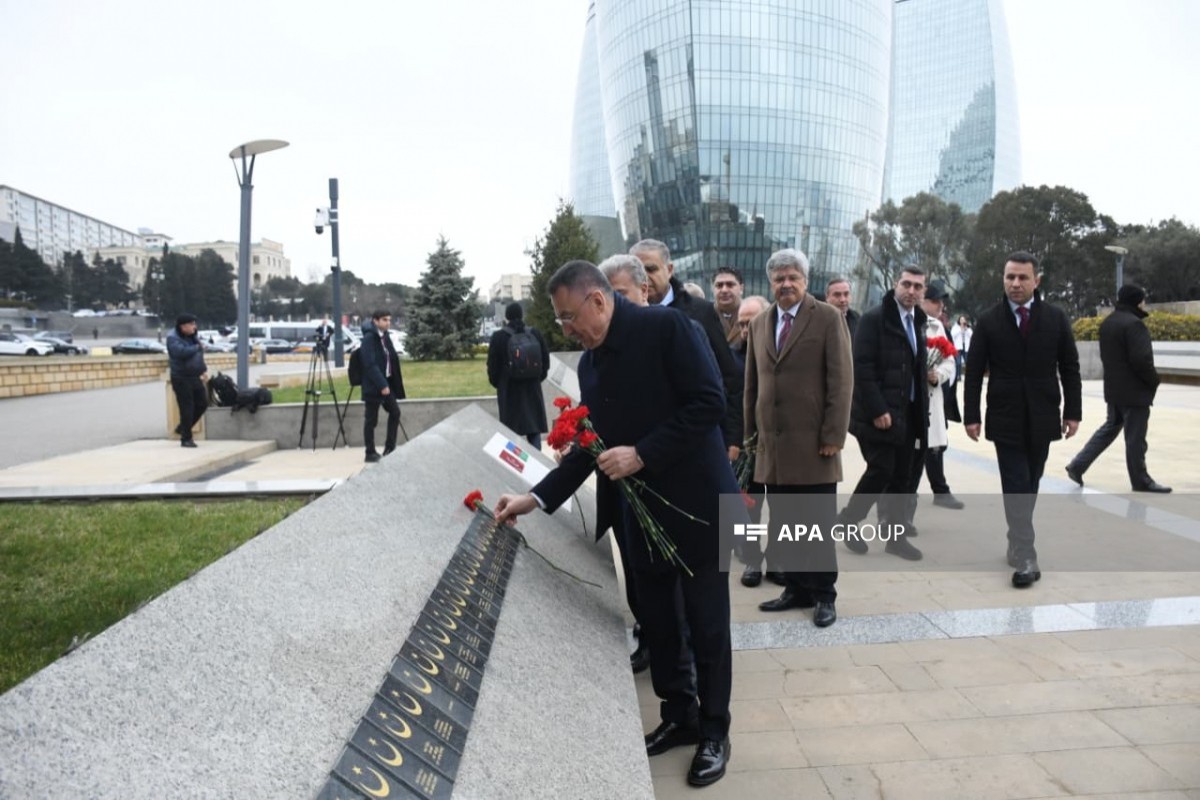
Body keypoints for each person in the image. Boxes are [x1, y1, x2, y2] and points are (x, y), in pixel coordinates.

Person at [494, 260, 740, 787]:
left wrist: (642, 454)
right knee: (658, 621)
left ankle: (715, 731)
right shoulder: (592, 364)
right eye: (561, 321)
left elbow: (709, 403)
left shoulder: (668, 329)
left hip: (698, 506)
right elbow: (593, 443)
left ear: (599, 301)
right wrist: (533, 498)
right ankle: (680, 714)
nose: (565, 330)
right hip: (643, 513)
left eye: (567, 318)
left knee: (708, 624)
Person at [744, 250, 854, 626]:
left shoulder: (826, 318)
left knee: (817, 525)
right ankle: (795, 588)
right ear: (770, 283)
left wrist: (833, 435)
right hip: (772, 448)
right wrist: (749, 438)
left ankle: (824, 595)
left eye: (792, 277)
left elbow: (841, 381)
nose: (785, 284)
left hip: (814, 446)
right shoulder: (759, 323)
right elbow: (751, 386)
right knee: (785, 522)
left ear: (805, 281)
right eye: (778, 278)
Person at [964, 252, 1082, 588]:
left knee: (1030, 482)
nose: (1015, 284)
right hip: (1004, 416)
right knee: (1016, 482)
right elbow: (973, 372)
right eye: (1009, 277)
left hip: (1044, 415)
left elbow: (1070, 367)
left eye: (1022, 278)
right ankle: (1027, 555)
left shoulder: (1056, 319)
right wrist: (972, 415)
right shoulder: (988, 320)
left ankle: (1016, 539)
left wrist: (1073, 411)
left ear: (1036, 281)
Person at [840, 267, 929, 561]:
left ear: (923, 291)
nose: (911, 291)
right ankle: (849, 521)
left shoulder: (919, 320)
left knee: (902, 477)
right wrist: (878, 408)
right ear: (895, 285)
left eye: (918, 286)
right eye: (906, 284)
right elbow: (862, 367)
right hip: (876, 414)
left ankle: (895, 538)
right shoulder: (874, 318)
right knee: (882, 469)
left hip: (910, 413)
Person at [631, 239, 744, 461]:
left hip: (696, 439)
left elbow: (728, 375)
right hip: (644, 445)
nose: (644, 277)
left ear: (669, 269)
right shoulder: (626, 316)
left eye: (651, 269)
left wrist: (732, 437)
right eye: (637, 271)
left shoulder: (699, 312)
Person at [1066, 285, 1170, 493]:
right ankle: (1140, 480)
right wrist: (1154, 381)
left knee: (1108, 429)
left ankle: (1078, 465)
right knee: (1135, 439)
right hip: (1134, 392)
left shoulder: (1108, 323)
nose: (1144, 304)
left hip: (1114, 390)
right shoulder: (1134, 325)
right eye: (1142, 300)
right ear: (1136, 301)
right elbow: (1141, 360)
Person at [918, 284, 965, 510]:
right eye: (935, 301)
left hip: (936, 397)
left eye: (941, 301)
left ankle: (940, 490)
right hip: (915, 401)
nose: (940, 305)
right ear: (923, 300)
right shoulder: (912, 324)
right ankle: (901, 506)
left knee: (935, 445)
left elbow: (950, 361)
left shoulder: (938, 327)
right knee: (919, 450)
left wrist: (939, 375)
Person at [487, 302, 550, 450]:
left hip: (508, 391)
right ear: (521, 314)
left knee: (510, 435)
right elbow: (545, 362)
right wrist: (535, 378)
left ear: (507, 316)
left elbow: (492, 367)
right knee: (534, 432)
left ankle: (516, 468)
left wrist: (500, 384)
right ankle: (537, 467)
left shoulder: (498, 337)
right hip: (532, 390)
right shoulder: (534, 333)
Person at [360, 310, 406, 463]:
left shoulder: (385, 337)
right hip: (374, 386)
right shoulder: (369, 338)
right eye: (384, 320)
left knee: (395, 412)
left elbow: (390, 359)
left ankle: (390, 448)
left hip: (386, 384)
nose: (388, 323)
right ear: (375, 321)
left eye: (389, 320)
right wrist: (381, 384)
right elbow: (370, 364)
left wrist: (392, 382)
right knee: (371, 420)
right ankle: (370, 452)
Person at [166, 313, 207, 448]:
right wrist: (197, 347)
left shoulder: (193, 337)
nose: (194, 327)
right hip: (181, 377)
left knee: (202, 403)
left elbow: (199, 356)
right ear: (183, 326)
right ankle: (186, 438)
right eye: (192, 324)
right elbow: (179, 352)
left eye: (195, 324)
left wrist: (203, 369)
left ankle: (183, 427)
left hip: (194, 375)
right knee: (186, 407)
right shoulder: (172, 338)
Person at [712, 267, 745, 345]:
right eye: (719, 285)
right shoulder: (704, 315)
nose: (724, 290)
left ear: (741, 288)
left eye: (730, 285)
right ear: (713, 289)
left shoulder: (755, 314)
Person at [825, 276, 860, 340]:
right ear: (827, 297)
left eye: (846, 294)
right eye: (837, 295)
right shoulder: (816, 319)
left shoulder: (857, 320)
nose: (842, 300)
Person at [950, 315, 972, 379]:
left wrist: (966, 329)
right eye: (961, 319)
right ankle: (958, 376)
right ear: (959, 320)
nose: (962, 321)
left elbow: (972, 335)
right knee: (958, 363)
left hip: (966, 347)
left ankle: (969, 376)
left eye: (963, 319)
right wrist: (960, 329)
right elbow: (952, 335)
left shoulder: (968, 327)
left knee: (968, 362)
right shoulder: (955, 327)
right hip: (958, 347)